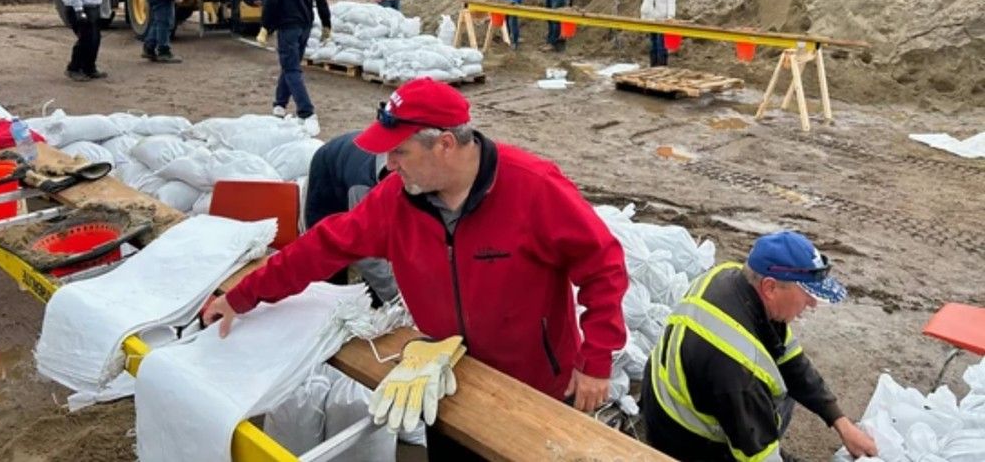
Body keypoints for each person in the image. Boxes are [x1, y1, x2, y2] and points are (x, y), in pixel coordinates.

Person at [205, 77, 628, 459]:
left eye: (399, 151)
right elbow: (323, 247)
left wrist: (596, 358)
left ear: (444, 144)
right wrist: (243, 296)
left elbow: (602, 263)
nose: (390, 165)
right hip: (448, 382)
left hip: (537, 389)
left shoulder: (532, 187)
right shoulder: (397, 201)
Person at [641, 230, 879, 462]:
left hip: (668, 391)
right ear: (770, 287)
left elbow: (793, 363)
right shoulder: (738, 368)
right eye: (806, 292)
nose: (812, 303)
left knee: (784, 387)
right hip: (682, 436)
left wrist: (841, 423)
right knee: (768, 404)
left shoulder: (732, 275)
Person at [304, 130, 398, 305]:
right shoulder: (363, 186)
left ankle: (376, 300)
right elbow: (363, 249)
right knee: (329, 258)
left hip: (352, 159)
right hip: (328, 177)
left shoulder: (418, 173)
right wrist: (395, 297)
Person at [261, 0, 331, 122]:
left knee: (291, 68)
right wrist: (327, 24)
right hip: (305, 25)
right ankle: (280, 104)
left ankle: (306, 111)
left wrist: (265, 26)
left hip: (287, 26)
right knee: (290, 64)